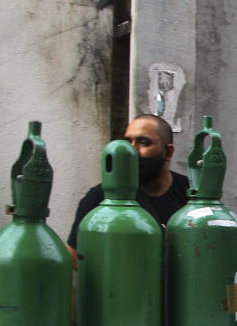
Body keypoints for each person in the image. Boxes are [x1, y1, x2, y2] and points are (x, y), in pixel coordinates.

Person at [67, 114, 188, 267]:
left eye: (143, 143)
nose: (131, 151)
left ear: (168, 152)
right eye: (128, 142)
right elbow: (74, 256)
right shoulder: (99, 197)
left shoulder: (191, 195)